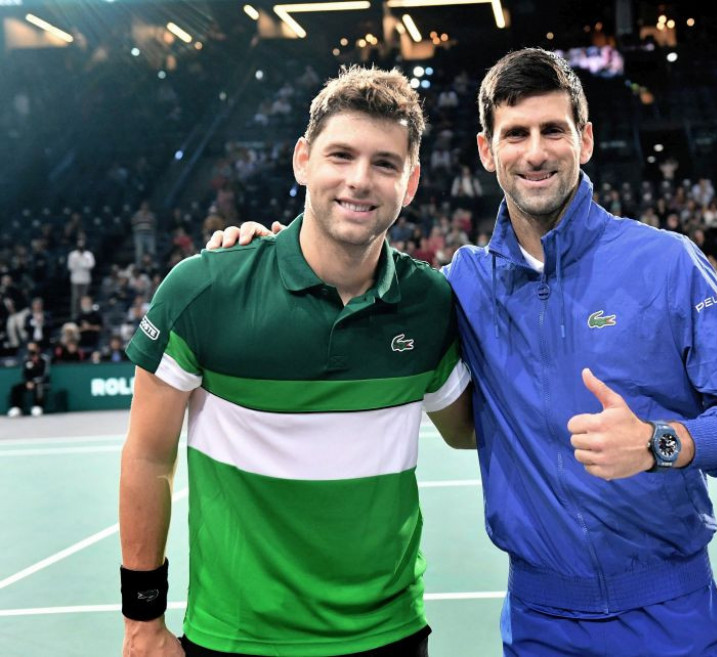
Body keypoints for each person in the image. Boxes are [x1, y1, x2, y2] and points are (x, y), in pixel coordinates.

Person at [215, 49, 717, 656]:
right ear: (487, 150)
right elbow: (354, 279)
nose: (535, 152)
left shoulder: (668, 263)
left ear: (585, 140)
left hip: (671, 615)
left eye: (553, 131)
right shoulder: (462, 285)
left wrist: (660, 443)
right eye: (515, 134)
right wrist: (267, 255)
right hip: (540, 624)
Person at [121, 66, 474, 657]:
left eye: (385, 163)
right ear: (303, 160)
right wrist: (142, 621)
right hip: (236, 639)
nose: (359, 180)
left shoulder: (428, 303)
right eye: (341, 155)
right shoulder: (204, 289)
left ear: (410, 182)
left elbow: (469, 431)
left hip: (389, 635)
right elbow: (148, 454)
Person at [6, 341, 49, 417]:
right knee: (16, 388)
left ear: (37, 349)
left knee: (39, 387)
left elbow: (44, 374)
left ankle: (38, 406)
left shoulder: (44, 359)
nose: (31, 350)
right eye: (29, 348)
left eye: (33, 348)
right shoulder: (26, 359)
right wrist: (28, 382)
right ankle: (16, 408)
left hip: (40, 382)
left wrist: (34, 381)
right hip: (28, 383)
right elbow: (24, 373)